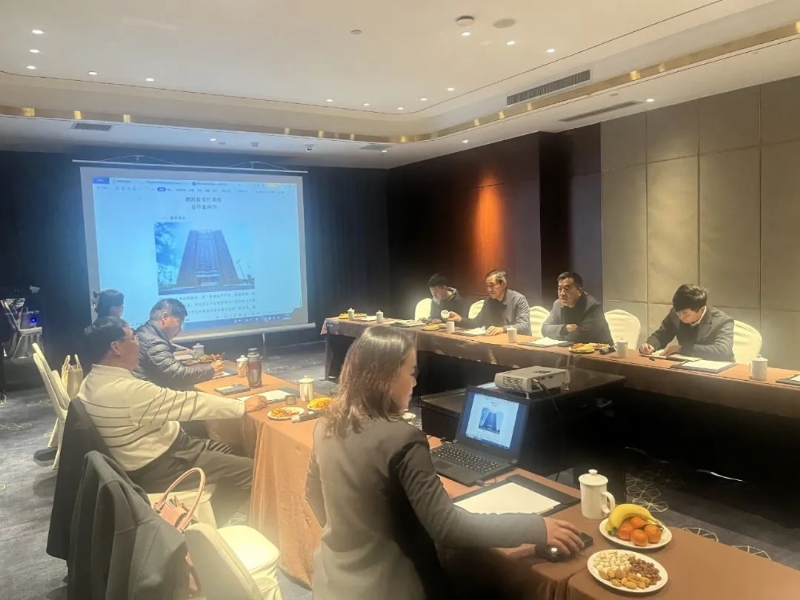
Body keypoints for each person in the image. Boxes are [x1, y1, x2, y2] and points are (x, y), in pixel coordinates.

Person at [306, 326, 582, 600]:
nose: (414, 383)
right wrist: (534, 527)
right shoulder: (403, 438)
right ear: (386, 377)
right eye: (411, 372)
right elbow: (447, 527)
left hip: (331, 581)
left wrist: (358, 535)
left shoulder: (326, 423)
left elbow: (313, 493)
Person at [79, 317, 268, 524]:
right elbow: (188, 403)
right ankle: (198, 527)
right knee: (256, 473)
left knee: (239, 450)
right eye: (133, 338)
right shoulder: (126, 390)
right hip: (163, 464)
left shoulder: (91, 381)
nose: (138, 344)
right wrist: (242, 406)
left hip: (158, 454)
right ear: (116, 347)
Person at [133, 298, 224, 390]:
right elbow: (178, 375)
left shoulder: (145, 331)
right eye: (179, 323)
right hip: (151, 392)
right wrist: (211, 369)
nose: (180, 329)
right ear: (164, 317)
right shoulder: (153, 341)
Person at [639, 284, 735, 361]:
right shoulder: (675, 314)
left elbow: (723, 351)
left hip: (717, 370)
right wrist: (650, 345)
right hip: (686, 366)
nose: (680, 316)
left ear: (701, 309)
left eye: (685, 313)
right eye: (678, 312)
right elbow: (662, 335)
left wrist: (682, 348)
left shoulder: (723, 321)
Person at [446, 269, 531, 336]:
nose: (489, 289)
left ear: (503, 284)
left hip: (517, 343)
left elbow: (523, 325)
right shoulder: (488, 301)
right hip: (495, 343)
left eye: (492, 285)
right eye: (487, 286)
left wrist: (502, 329)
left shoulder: (518, 299)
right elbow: (477, 322)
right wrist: (460, 319)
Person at [541, 272, 613, 345]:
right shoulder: (557, 304)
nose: (562, 293)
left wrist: (555, 334)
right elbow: (545, 329)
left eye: (566, 289)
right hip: (568, 349)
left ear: (579, 291)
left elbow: (582, 337)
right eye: (560, 289)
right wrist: (565, 328)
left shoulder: (593, 307)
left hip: (599, 350)